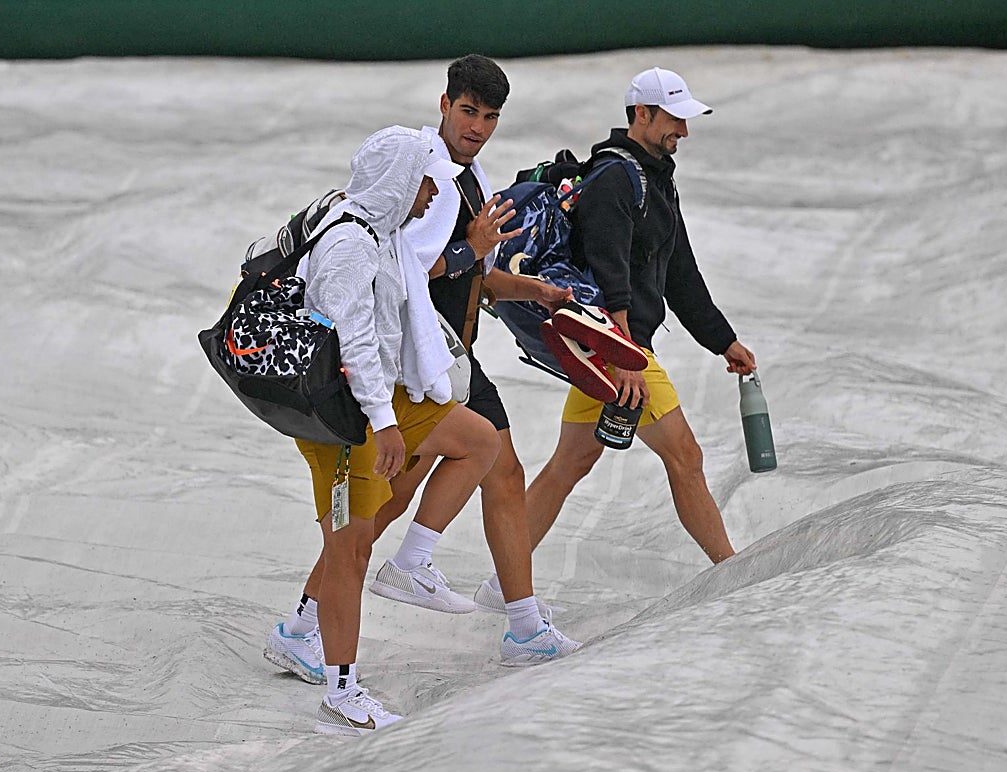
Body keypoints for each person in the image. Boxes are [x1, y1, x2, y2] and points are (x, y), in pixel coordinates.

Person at [266, 57, 581, 694]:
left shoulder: (461, 176)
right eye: (469, 112)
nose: (479, 127)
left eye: (490, 117)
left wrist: (531, 289)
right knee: (396, 505)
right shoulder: (418, 174)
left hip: (432, 361)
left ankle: (313, 623)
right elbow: (416, 268)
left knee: (420, 491)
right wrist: (472, 250)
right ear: (444, 104)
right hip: (423, 364)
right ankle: (440, 608)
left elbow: (463, 275)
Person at [283, 125, 500, 735]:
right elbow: (353, 344)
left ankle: (302, 628)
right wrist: (384, 426)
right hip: (346, 422)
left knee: (477, 440)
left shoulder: (380, 234)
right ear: (400, 181)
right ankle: (342, 689)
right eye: (427, 182)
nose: (435, 195)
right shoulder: (352, 244)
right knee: (350, 547)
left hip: (380, 402)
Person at [524, 67, 757, 566]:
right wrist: (624, 355)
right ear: (642, 114)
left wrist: (724, 341)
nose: (685, 131)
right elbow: (611, 279)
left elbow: (680, 274)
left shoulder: (657, 181)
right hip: (618, 344)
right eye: (674, 118)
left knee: (571, 461)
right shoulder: (614, 178)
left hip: (611, 344)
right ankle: (732, 571)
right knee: (685, 457)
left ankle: (505, 577)